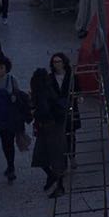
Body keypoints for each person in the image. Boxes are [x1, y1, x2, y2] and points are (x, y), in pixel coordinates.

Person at [31, 67, 68, 196]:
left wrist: (35, 113)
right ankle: (57, 182)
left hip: (49, 127)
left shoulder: (41, 93)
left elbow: (44, 110)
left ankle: (58, 185)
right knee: (54, 157)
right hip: (54, 126)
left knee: (46, 156)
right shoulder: (50, 90)